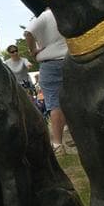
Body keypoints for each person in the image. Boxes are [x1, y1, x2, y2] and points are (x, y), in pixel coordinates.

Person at [24, 8, 71, 154]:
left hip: (50, 63)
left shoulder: (43, 16)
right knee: (76, 99)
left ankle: (57, 143)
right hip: (72, 59)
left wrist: (33, 51)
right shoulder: (67, 11)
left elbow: (28, 33)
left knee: (54, 103)